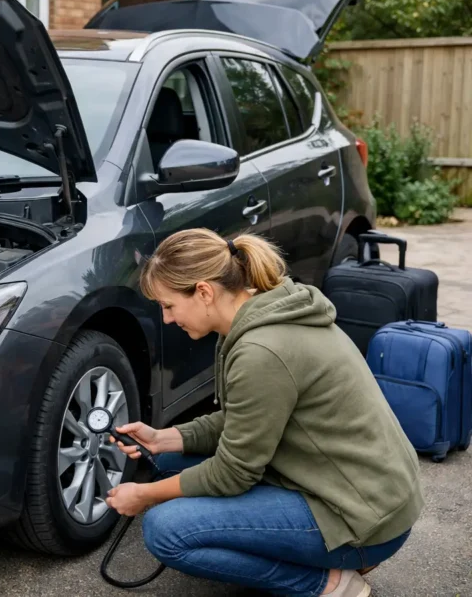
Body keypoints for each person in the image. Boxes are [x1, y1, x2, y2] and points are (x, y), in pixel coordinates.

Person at [105, 228, 423, 597]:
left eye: (169, 305)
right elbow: (248, 418)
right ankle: (326, 554)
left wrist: (145, 495)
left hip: (361, 517)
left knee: (166, 530)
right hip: (365, 492)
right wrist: (164, 438)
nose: (167, 319)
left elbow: (233, 474)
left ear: (204, 292)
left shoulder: (262, 350)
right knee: (173, 460)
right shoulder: (264, 312)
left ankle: (330, 582)